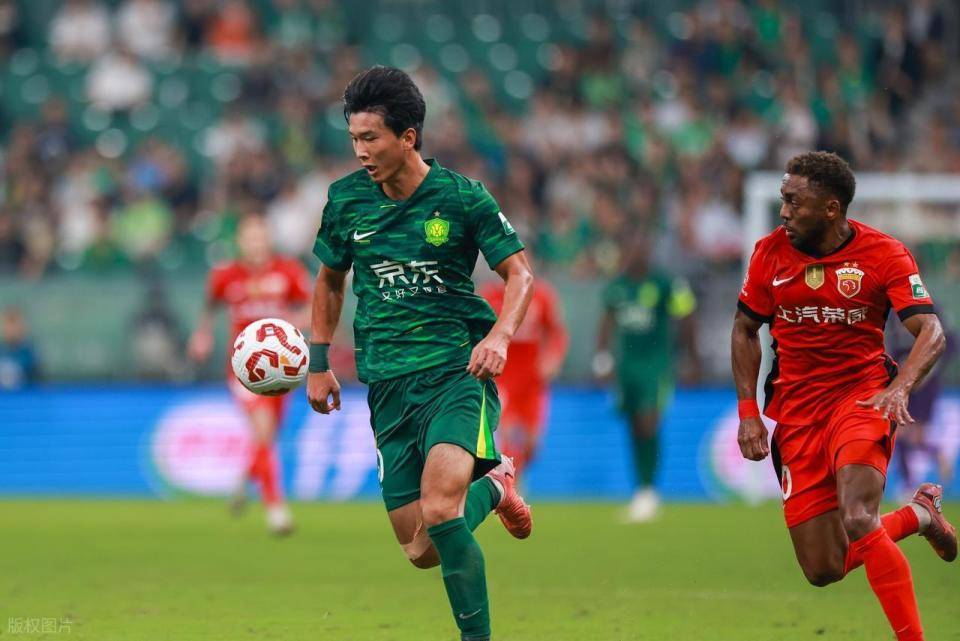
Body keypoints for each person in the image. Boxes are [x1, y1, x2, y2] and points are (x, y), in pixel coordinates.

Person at [306, 66, 534, 641]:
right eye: (354, 139)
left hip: (455, 375)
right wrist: (318, 363)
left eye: (371, 138)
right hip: (387, 386)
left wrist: (499, 336)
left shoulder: (461, 198)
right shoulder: (345, 200)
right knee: (420, 549)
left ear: (408, 137)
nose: (360, 151)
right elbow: (330, 281)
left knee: (439, 511)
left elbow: (520, 275)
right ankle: (495, 485)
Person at [731, 151, 956, 641]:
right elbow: (745, 329)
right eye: (782, 200)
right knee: (823, 568)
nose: (784, 211)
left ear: (831, 208)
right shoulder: (769, 253)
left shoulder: (884, 254)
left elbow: (932, 331)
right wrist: (748, 413)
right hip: (797, 413)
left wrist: (899, 389)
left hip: (862, 399)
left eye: (794, 202)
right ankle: (919, 514)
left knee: (858, 516)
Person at [188, 215, 310, 536]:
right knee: (263, 429)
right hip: (244, 370)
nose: (256, 244)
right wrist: (202, 334)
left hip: (282, 368)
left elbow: (311, 308)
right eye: (249, 238)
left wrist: (293, 324)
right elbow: (209, 307)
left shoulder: (288, 272)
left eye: (260, 237)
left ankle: (245, 478)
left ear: (268, 239)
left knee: (266, 438)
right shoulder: (225, 275)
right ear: (240, 242)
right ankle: (276, 508)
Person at [593, 233, 699, 522]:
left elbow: (686, 316)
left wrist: (690, 357)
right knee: (633, 425)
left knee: (648, 421)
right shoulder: (618, 287)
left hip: (656, 365)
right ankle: (641, 489)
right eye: (631, 248)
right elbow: (606, 322)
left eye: (641, 249)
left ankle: (649, 491)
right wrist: (602, 359)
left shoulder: (665, 283)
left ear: (648, 253)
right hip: (627, 367)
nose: (636, 254)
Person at [480, 273, 568, 479]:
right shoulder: (491, 296)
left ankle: (512, 478)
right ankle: (508, 486)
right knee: (508, 436)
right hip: (503, 378)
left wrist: (552, 359)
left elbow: (556, 333)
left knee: (532, 445)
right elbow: (477, 332)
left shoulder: (542, 295)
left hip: (533, 381)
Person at [0, 307, 40, 390]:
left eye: (15, 325)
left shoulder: (29, 354)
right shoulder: (2, 351)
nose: (12, 329)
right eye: (8, 325)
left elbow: (37, 383)